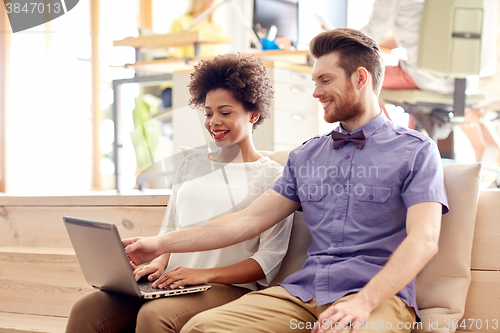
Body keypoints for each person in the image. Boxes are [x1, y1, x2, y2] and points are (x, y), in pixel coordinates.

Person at [124, 28, 449, 333]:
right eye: (314, 81)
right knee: (202, 328)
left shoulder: (416, 151)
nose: (315, 92)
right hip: (302, 292)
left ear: (360, 78)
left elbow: (424, 239)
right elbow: (246, 221)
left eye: (325, 80)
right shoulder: (305, 157)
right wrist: (159, 244)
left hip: (377, 296)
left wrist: (364, 302)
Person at [65, 53, 293, 333]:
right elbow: (170, 231)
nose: (213, 122)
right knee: (88, 310)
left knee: (154, 315)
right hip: (172, 282)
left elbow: (266, 261)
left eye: (225, 112)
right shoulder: (192, 163)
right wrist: (158, 264)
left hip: (226, 286)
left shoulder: (274, 175)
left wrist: (201, 274)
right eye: (208, 113)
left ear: (253, 114)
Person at [361, 0, 458, 94]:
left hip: (423, 77)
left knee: (362, 78)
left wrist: (346, 38)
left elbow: (371, 36)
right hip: (462, 82)